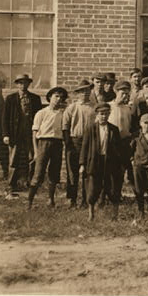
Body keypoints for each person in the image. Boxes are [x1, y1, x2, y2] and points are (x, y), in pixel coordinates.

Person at [79, 103, 122, 221]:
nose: (104, 116)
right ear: (97, 115)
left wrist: (119, 163)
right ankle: (91, 215)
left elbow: (118, 148)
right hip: (95, 161)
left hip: (110, 162)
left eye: (106, 114)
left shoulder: (114, 129)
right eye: (101, 114)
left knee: (112, 188)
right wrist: (82, 164)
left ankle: (115, 215)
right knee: (93, 188)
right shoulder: (90, 128)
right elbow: (85, 146)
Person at [2, 73, 42, 198]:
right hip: (15, 134)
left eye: (25, 83)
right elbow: (5, 118)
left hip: (31, 134)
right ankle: (11, 186)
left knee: (32, 158)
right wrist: (6, 134)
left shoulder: (35, 98)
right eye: (20, 83)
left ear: (29, 84)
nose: (22, 85)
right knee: (14, 160)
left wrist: (39, 133)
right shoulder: (11, 99)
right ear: (17, 84)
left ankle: (31, 185)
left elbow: (39, 117)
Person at [28, 86, 67, 209]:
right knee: (38, 173)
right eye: (56, 96)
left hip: (57, 144)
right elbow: (34, 133)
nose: (58, 99)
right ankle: (29, 202)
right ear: (50, 97)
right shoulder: (41, 113)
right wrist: (35, 151)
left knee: (54, 173)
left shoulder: (63, 114)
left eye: (61, 97)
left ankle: (51, 200)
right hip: (43, 143)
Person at [62, 79, 96, 208]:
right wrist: (68, 143)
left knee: (87, 171)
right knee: (73, 171)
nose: (85, 94)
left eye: (87, 91)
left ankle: (86, 200)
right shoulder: (72, 107)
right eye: (82, 91)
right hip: (74, 141)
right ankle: (72, 199)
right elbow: (65, 126)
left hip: (89, 142)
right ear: (77, 93)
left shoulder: (94, 107)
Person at [108, 80, 135, 191]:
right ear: (116, 92)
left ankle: (117, 194)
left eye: (127, 94)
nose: (125, 96)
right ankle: (107, 194)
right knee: (111, 169)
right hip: (111, 142)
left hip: (124, 141)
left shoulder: (128, 109)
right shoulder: (109, 106)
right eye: (122, 93)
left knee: (122, 169)